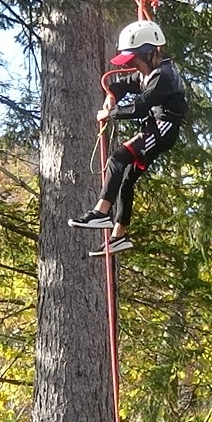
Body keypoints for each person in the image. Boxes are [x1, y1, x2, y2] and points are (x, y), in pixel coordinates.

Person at [68, 18, 188, 256]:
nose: (133, 66)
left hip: (163, 129)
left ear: (150, 54)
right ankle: (119, 236)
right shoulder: (146, 74)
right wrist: (112, 95)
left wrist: (111, 114)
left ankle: (101, 213)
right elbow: (122, 85)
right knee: (126, 179)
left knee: (117, 159)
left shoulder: (164, 76)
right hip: (155, 128)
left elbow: (141, 106)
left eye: (134, 61)